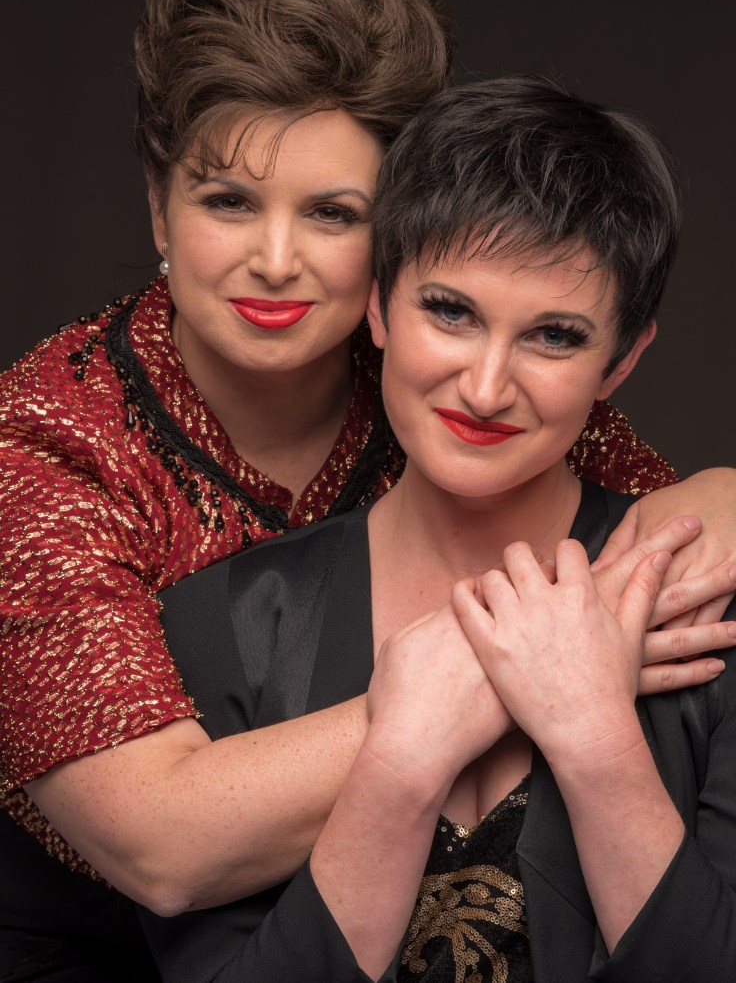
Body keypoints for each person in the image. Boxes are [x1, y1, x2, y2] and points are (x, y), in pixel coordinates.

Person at [0, 0, 734, 983]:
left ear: (393, 240)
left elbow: (655, 505)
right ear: (159, 204)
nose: (276, 260)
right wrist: (518, 678)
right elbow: (161, 848)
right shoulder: (45, 447)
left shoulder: (439, 375)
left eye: (334, 211)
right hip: (82, 945)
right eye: (227, 200)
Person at [137, 76, 736, 982]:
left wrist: (593, 737)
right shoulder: (225, 620)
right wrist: (399, 764)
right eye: (449, 312)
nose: (487, 387)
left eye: (555, 337)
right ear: (379, 305)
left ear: (623, 358)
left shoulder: (711, 606)